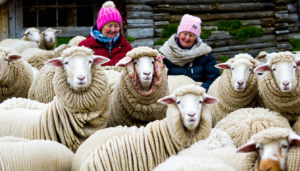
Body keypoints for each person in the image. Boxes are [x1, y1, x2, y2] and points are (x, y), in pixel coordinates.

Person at [159, 14, 220, 91]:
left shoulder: (205, 55)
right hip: (173, 96)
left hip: (198, 97)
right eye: (184, 34)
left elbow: (213, 79)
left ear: (196, 38)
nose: (187, 38)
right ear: (179, 34)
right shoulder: (166, 54)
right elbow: (159, 79)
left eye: (191, 35)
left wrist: (198, 91)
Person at [79, 1, 132, 66]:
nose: (113, 30)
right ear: (100, 26)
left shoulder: (126, 46)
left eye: (116, 26)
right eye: (109, 26)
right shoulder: (84, 46)